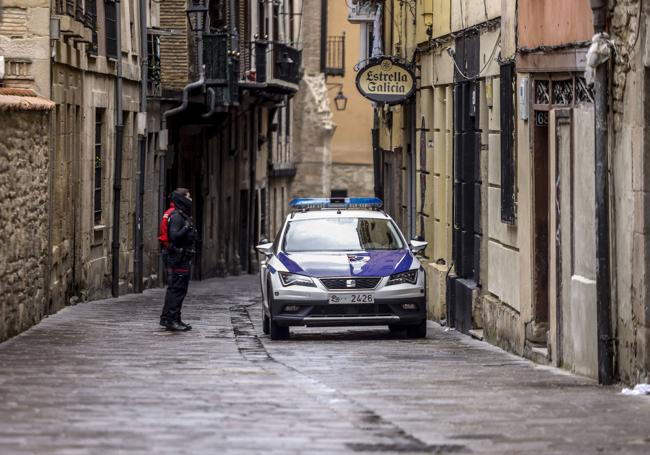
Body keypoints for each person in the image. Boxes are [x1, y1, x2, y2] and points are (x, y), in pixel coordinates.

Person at [160, 188, 197, 331]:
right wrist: (187, 227)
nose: (190, 200)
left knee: (178, 289)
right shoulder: (176, 216)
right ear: (182, 199)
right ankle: (170, 319)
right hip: (177, 257)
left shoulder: (179, 214)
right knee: (176, 289)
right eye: (188, 197)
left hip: (180, 257)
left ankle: (174, 318)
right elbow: (174, 236)